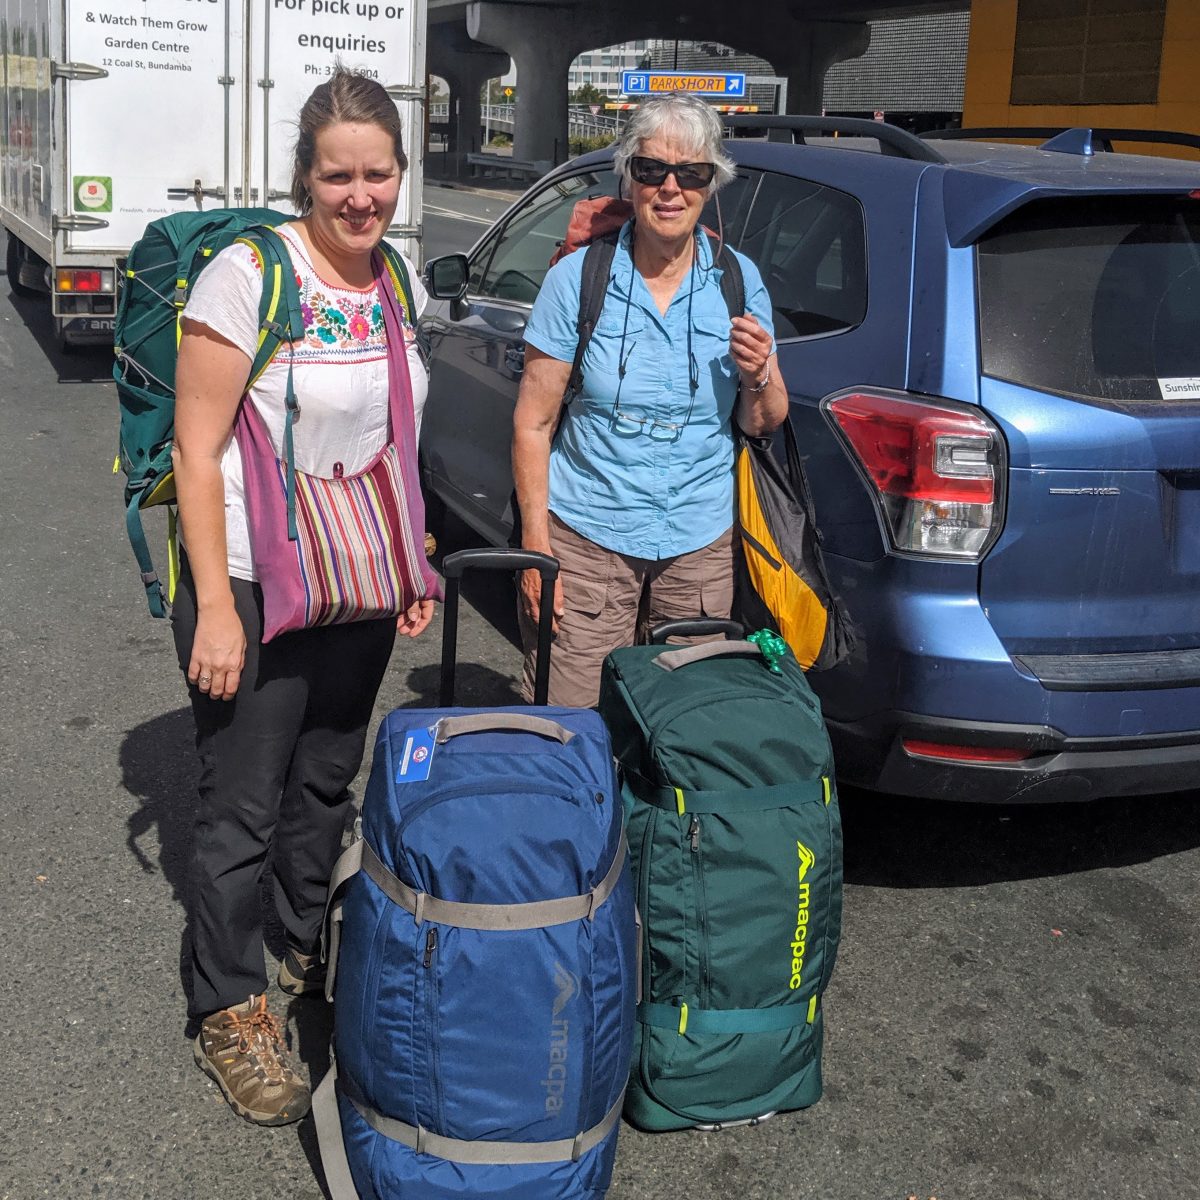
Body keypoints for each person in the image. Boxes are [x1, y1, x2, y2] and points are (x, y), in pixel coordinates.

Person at [170, 69, 435, 1126]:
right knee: (242, 800)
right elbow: (197, 450)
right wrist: (218, 608)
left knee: (327, 778)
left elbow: (388, 424)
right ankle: (228, 1004)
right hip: (250, 572)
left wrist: (409, 549)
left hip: (356, 574)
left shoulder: (395, 277)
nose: (360, 195)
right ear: (306, 178)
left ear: (401, 175)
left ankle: (299, 944)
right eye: (339, 176)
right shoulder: (251, 275)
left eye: (378, 174)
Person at [512, 91, 788, 707]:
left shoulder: (739, 282)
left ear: (711, 183)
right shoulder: (576, 280)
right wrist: (536, 547)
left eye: (689, 173)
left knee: (683, 723)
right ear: (628, 176)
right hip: (587, 537)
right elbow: (534, 423)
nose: (670, 188)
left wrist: (758, 373)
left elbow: (764, 420)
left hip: (699, 544)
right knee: (572, 716)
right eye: (651, 170)